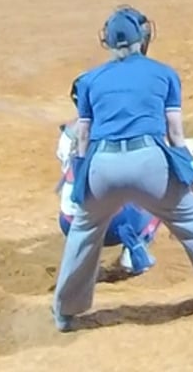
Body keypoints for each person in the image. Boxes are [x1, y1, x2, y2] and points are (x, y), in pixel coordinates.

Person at [52, 7, 193, 332]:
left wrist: (82, 181)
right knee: (192, 220)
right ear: (141, 39)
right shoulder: (164, 73)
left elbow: (83, 138)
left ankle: (65, 312)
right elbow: (175, 133)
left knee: (85, 230)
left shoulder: (89, 80)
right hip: (149, 163)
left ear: (107, 42)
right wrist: (186, 171)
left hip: (103, 165)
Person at [57, 77, 162, 276]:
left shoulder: (67, 137)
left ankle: (85, 259)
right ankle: (134, 250)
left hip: (71, 225)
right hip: (113, 227)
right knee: (161, 191)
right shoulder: (119, 128)